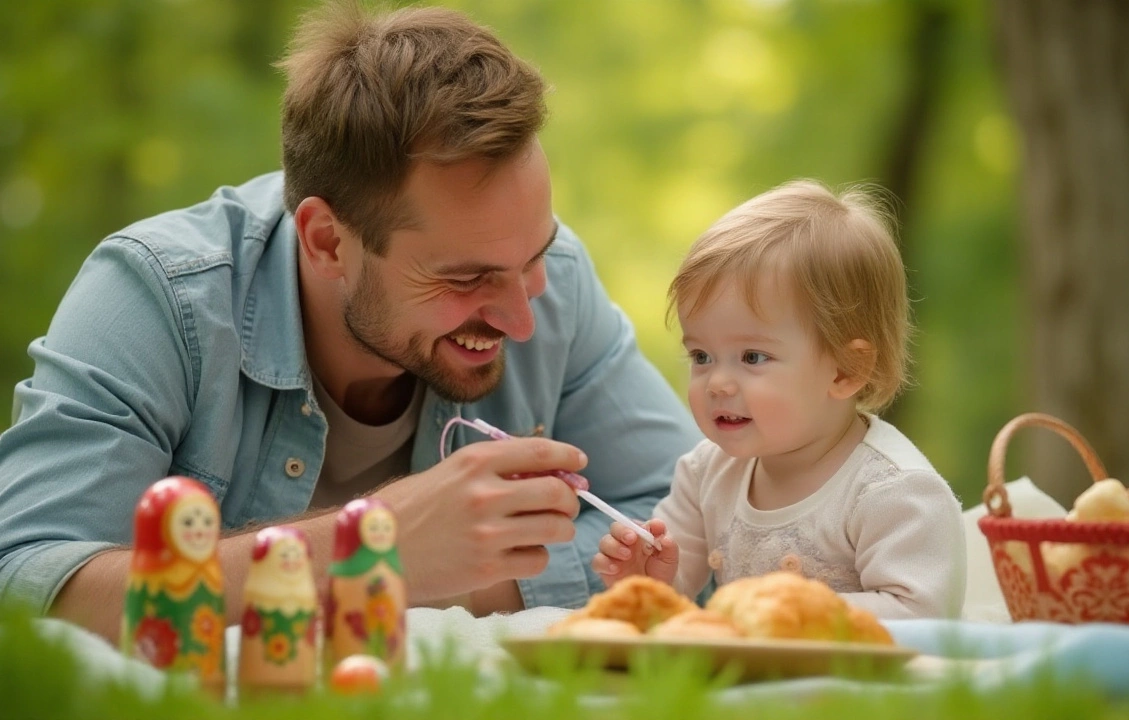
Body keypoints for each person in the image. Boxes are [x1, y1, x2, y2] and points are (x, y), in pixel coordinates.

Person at [0, 2, 700, 641]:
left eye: (535, 257)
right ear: (327, 241)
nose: (522, 317)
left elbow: (698, 516)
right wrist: (372, 550)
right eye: (466, 278)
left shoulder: (554, 286)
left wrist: (474, 579)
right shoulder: (159, 296)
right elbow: (27, 580)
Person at [592, 180, 966, 619]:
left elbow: (923, 615)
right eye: (702, 356)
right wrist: (648, 583)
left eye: (752, 356)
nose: (717, 383)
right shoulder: (706, 474)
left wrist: (789, 613)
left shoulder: (892, 492)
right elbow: (675, 597)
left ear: (846, 369)